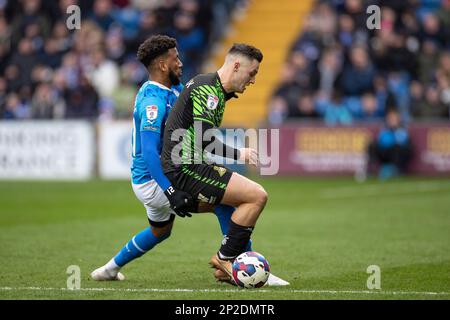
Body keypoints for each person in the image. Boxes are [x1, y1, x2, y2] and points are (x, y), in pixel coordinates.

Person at [90, 36, 288, 286]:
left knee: (161, 231)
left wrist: (225, 90)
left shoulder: (171, 90)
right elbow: (150, 153)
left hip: (162, 175)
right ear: (163, 65)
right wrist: (171, 191)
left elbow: (196, 110)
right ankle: (238, 265)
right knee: (230, 201)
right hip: (155, 180)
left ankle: (109, 268)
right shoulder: (153, 101)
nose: (181, 63)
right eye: (176, 59)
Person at [160, 43, 288, 285]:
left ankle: (231, 267)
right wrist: (240, 153)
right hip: (185, 168)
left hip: (190, 165)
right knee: (256, 196)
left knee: (237, 202)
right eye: (252, 73)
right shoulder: (207, 90)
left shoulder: (215, 90)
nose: (252, 81)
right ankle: (226, 259)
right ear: (237, 65)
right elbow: (204, 138)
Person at [366, 108, 413, 179]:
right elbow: (381, 141)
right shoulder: (384, 130)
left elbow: (403, 142)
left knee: (397, 147)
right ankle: (371, 169)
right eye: (390, 119)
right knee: (372, 144)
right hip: (385, 153)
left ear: (398, 120)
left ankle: (397, 170)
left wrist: (394, 133)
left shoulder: (402, 131)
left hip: (397, 154)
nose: (392, 121)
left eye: (393, 119)